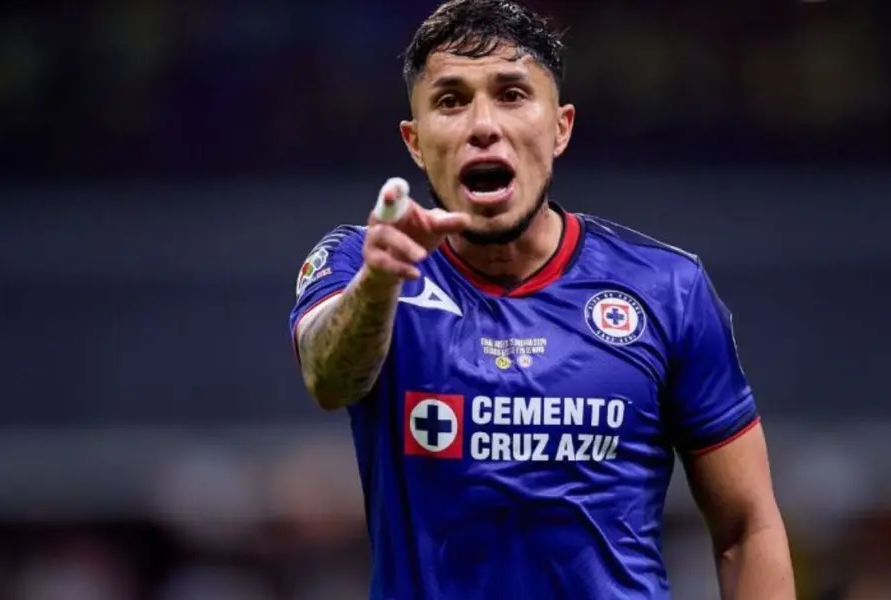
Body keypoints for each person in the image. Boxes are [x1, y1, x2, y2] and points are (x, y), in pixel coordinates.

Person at [288, 0, 795, 597]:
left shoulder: (667, 289)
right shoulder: (365, 266)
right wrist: (378, 285)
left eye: (512, 94)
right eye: (450, 101)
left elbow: (747, 527)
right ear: (415, 141)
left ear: (561, 127)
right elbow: (328, 376)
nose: (483, 125)